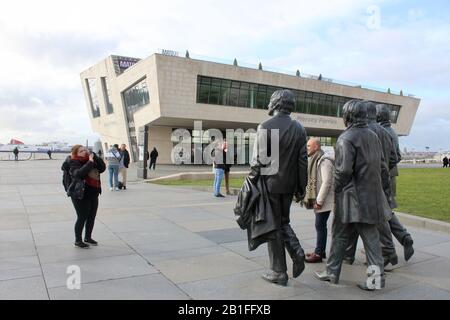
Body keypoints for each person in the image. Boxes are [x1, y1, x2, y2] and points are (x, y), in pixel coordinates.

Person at [314, 99, 390, 291]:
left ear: (347, 116)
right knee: (346, 235)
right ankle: (333, 272)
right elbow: (382, 166)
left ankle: (371, 280)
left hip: (351, 199)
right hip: (370, 196)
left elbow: (343, 171)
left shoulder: (346, 138)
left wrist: (336, 190)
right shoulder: (373, 135)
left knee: (357, 237)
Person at [250, 89, 308, 286]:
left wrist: (250, 184)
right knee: (282, 222)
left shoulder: (265, 126)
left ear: (275, 103)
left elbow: (258, 161)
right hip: (289, 185)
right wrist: (302, 186)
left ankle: (279, 271)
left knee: (273, 227)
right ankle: (295, 252)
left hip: (269, 185)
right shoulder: (299, 128)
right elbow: (302, 161)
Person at [343, 101, 399, 267]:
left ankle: (384, 257)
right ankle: (348, 257)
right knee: (372, 222)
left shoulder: (352, 135)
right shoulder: (383, 132)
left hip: (360, 190)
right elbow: (391, 160)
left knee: (372, 228)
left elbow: (344, 171)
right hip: (378, 184)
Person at [377, 104, 414, 262]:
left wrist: (383, 169)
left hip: (382, 177)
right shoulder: (391, 131)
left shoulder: (381, 132)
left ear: (378, 117)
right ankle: (402, 239)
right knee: (385, 212)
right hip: (389, 176)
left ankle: (389, 248)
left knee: (381, 213)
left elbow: (393, 157)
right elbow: (397, 156)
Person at [62, 145, 106, 248]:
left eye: (85, 150)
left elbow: (102, 168)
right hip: (80, 194)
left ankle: (88, 237)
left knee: (91, 217)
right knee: (82, 217)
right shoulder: (72, 162)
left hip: (93, 192)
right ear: (75, 153)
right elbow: (79, 174)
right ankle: (78, 240)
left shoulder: (90, 158)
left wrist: (95, 157)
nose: (84, 152)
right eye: (81, 151)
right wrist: (90, 162)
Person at [304, 138, 334, 263]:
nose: (307, 148)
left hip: (325, 200)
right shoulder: (315, 159)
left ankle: (319, 253)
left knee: (320, 225)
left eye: (309, 146)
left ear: (316, 147)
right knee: (320, 225)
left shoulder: (324, 161)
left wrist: (319, 201)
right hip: (322, 199)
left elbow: (327, 182)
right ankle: (320, 251)